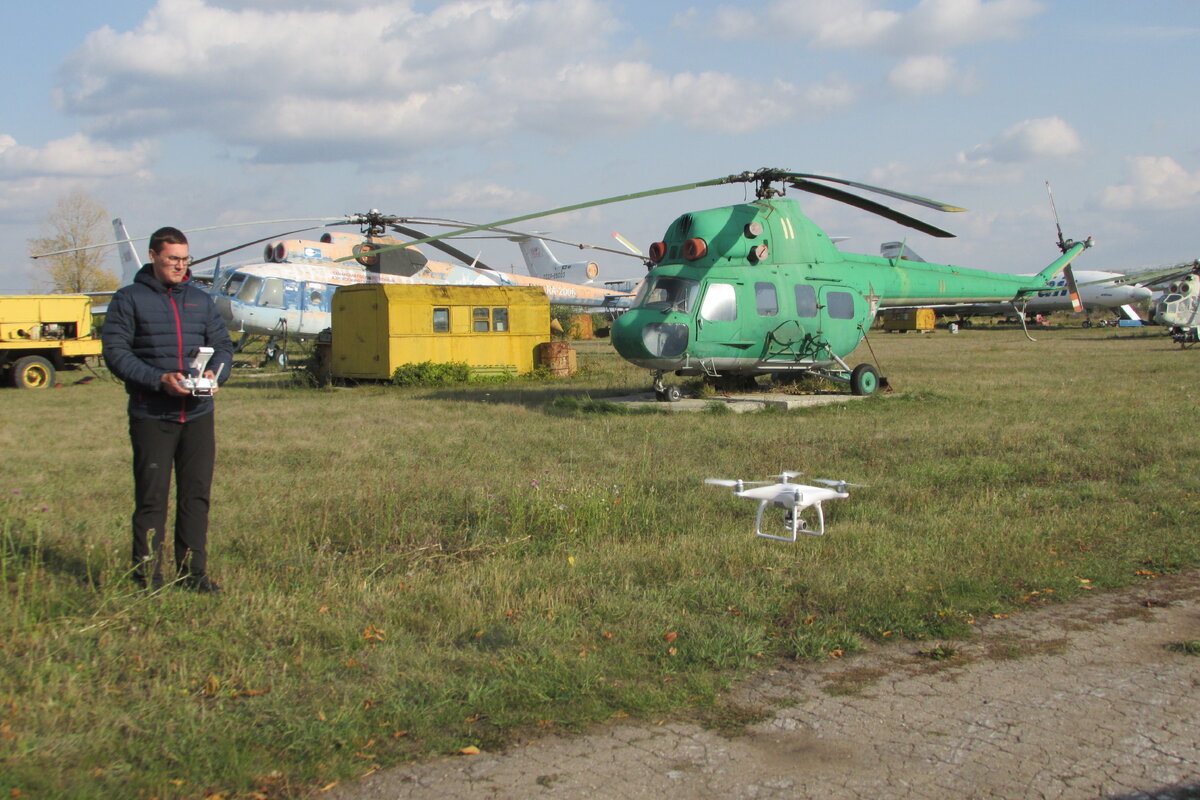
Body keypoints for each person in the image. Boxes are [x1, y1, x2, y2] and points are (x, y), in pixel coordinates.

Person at [102, 226, 234, 593]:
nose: (180, 266)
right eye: (172, 259)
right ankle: (147, 578)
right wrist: (158, 379)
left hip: (197, 414)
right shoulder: (128, 300)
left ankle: (193, 574)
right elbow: (116, 353)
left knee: (196, 496)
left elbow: (223, 346)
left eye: (185, 259)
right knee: (152, 499)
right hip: (153, 414)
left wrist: (216, 374)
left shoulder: (200, 300)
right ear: (153, 257)